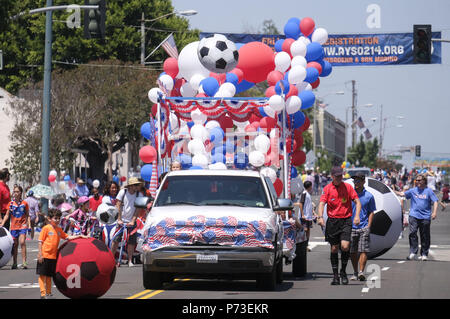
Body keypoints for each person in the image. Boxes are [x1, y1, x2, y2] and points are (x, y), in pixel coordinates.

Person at [317, 166, 361, 286]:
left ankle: (343, 271)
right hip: (333, 221)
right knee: (334, 248)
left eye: (341, 176)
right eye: (337, 176)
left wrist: (357, 216)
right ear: (332, 177)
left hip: (346, 220)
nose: (339, 178)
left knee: (345, 246)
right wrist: (320, 217)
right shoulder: (327, 188)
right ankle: (335, 275)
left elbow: (357, 202)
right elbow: (321, 203)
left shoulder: (348, 187)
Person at [37, 208, 87, 299]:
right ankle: (43, 293)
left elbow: (67, 237)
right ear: (49, 219)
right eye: (55, 218)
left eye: (58, 218)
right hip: (44, 255)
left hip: (53, 256)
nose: (57, 220)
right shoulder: (46, 228)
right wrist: (40, 254)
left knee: (49, 276)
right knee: (42, 275)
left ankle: (48, 292)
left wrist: (79, 236)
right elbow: (40, 241)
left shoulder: (59, 229)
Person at [397, 174, 438, 261]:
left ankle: (424, 254)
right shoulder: (413, 190)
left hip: (425, 216)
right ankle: (413, 252)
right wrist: (391, 190)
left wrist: (434, 212)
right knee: (412, 233)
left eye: (419, 180)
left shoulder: (429, 191)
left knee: (425, 236)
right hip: (414, 215)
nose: (417, 182)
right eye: (416, 180)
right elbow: (402, 194)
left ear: (424, 181)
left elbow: (435, 201)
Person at [110, 177, 144, 267]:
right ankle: (111, 259)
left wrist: (133, 220)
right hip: (121, 219)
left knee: (131, 241)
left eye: (138, 185)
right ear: (131, 186)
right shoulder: (123, 192)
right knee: (116, 239)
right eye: (135, 185)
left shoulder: (139, 194)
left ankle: (130, 260)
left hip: (131, 220)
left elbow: (138, 208)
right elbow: (118, 205)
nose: (137, 187)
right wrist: (119, 219)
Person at [349, 172, 376, 282]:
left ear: (364, 182)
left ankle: (361, 272)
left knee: (363, 250)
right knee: (352, 251)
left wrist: (369, 226)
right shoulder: (349, 194)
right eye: (355, 181)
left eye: (358, 180)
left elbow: (371, 212)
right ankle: (355, 272)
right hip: (351, 227)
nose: (356, 183)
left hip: (364, 226)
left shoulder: (369, 196)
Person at [3, 186, 30, 269]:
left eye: (17, 191)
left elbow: (27, 215)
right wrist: (2, 223)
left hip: (23, 225)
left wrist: (29, 225)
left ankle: (24, 262)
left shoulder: (24, 203)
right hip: (14, 227)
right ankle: (15, 263)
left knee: (22, 242)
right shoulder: (11, 204)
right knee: (15, 245)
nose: (15, 193)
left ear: (21, 193)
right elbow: (7, 215)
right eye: (14, 191)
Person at [295, 181, 315, 249]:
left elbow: (308, 205)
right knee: (305, 230)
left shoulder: (308, 194)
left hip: (308, 216)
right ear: (309, 186)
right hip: (305, 216)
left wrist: (313, 213)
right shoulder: (304, 193)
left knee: (308, 230)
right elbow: (301, 204)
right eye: (311, 186)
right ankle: (302, 245)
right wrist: (302, 214)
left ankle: (306, 244)